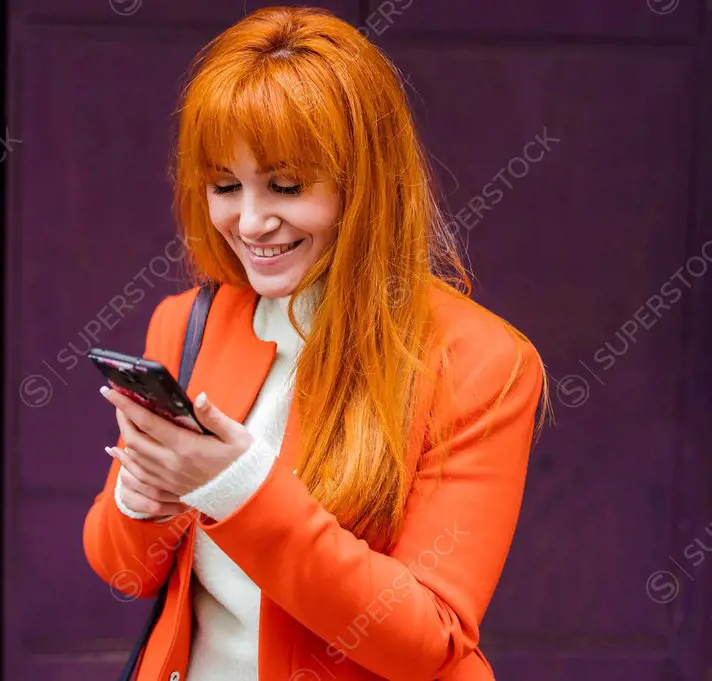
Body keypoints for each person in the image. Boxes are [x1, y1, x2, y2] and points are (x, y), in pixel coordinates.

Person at [82, 6, 548, 681]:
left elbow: (427, 645)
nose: (250, 221)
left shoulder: (481, 363)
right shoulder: (186, 322)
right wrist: (144, 496)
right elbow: (123, 570)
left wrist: (236, 487)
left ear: (364, 180)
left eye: (287, 185)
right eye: (224, 185)